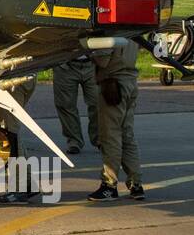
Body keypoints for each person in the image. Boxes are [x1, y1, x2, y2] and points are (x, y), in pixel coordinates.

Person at [87, 40, 144, 201]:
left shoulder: (111, 29)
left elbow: (102, 59)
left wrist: (87, 49)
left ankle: (109, 185)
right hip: (130, 80)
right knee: (127, 134)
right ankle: (136, 184)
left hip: (114, 83)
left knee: (110, 135)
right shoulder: (132, 25)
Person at [0, 75, 39, 204]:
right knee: (10, 130)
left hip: (10, 79)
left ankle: (18, 190)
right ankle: (26, 184)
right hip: (22, 77)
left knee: (9, 132)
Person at [53, 57, 99, 154]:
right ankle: (74, 141)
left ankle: (100, 139)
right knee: (65, 105)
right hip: (65, 64)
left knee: (99, 103)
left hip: (94, 63)